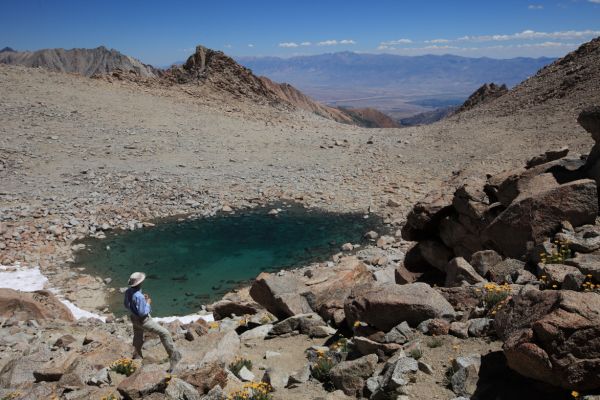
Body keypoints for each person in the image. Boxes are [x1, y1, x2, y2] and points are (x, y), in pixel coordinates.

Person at [124, 272, 182, 372]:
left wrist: (142, 301)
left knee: (138, 335)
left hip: (134, 319)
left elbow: (126, 305)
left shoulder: (128, 291)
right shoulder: (139, 296)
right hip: (143, 320)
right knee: (165, 333)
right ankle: (174, 356)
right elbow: (142, 312)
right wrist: (148, 303)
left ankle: (136, 356)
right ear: (140, 282)